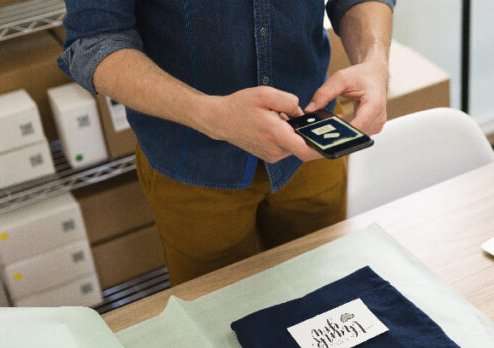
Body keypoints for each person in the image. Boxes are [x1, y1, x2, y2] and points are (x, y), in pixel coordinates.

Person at [58, 1, 395, 285]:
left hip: (311, 148)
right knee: (220, 323)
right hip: (192, 161)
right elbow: (94, 40)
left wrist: (374, 61)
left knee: (325, 291)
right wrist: (209, 114)